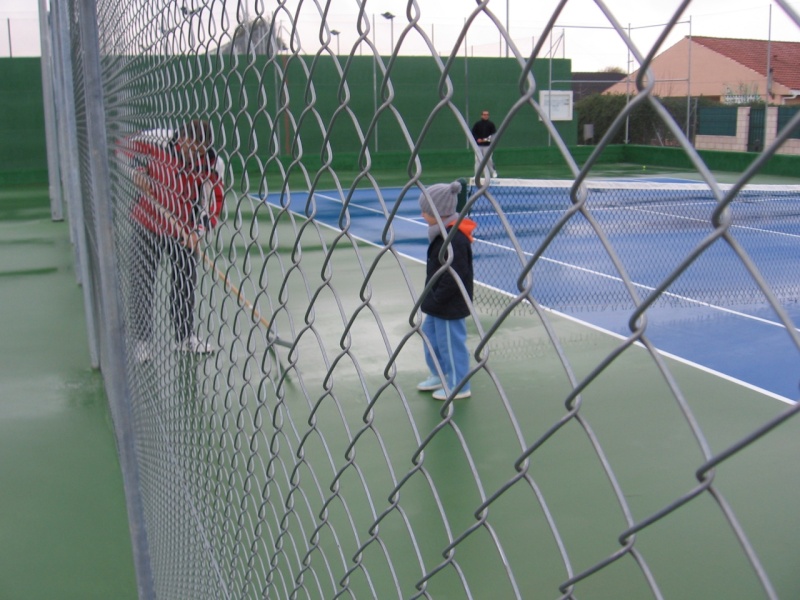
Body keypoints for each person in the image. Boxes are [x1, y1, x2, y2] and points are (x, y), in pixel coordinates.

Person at [122, 119, 225, 362]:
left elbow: (214, 204)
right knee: (142, 282)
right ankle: (142, 343)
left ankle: (184, 338)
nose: (193, 156)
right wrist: (138, 171)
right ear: (181, 139)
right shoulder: (155, 139)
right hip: (147, 221)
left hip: (183, 231)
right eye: (190, 149)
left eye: (199, 151)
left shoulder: (212, 163)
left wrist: (197, 233)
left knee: (184, 283)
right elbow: (126, 150)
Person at [416, 181, 477, 400]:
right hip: (436, 301)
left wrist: (437, 298)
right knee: (431, 337)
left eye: (427, 211)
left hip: (450, 303)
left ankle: (459, 384)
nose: (422, 214)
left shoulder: (455, 239)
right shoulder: (440, 233)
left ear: (440, 213)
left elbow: (455, 276)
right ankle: (439, 374)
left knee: (451, 343)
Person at [471, 109, 497, 178]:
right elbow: (473, 133)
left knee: (489, 160)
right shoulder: (477, 124)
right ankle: (477, 175)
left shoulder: (491, 124)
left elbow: (493, 135)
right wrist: (477, 139)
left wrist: (486, 140)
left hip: (488, 146)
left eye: (487, 115)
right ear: (481, 115)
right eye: (484, 115)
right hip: (478, 146)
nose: (486, 116)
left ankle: (493, 172)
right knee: (478, 160)